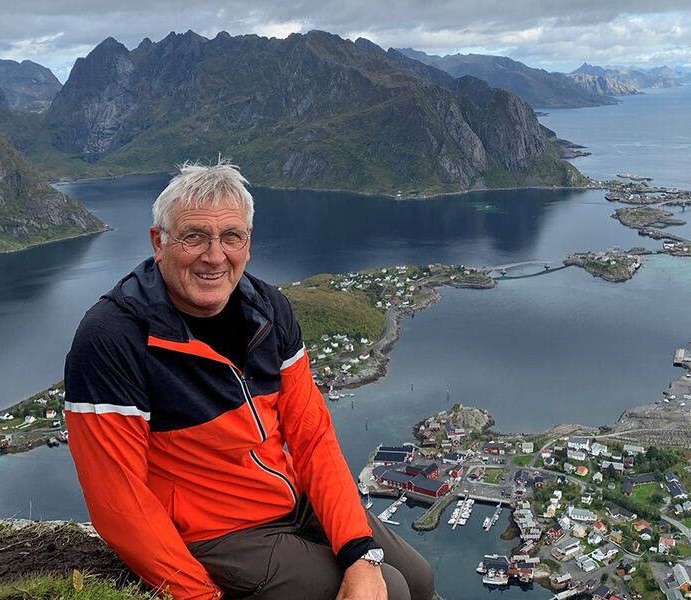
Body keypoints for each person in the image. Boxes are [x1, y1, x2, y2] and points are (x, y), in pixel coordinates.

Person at [64, 161, 433, 600]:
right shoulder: (112, 338)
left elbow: (311, 437)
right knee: (391, 591)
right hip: (218, 532)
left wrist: (357, 551)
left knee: (419, 577)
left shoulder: (269, 310)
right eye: (193, 235)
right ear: (158, 242)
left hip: (292, 501)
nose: (215, 255)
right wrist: (199, 594)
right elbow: (118, 501)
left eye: (230, 236)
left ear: (248, 243)